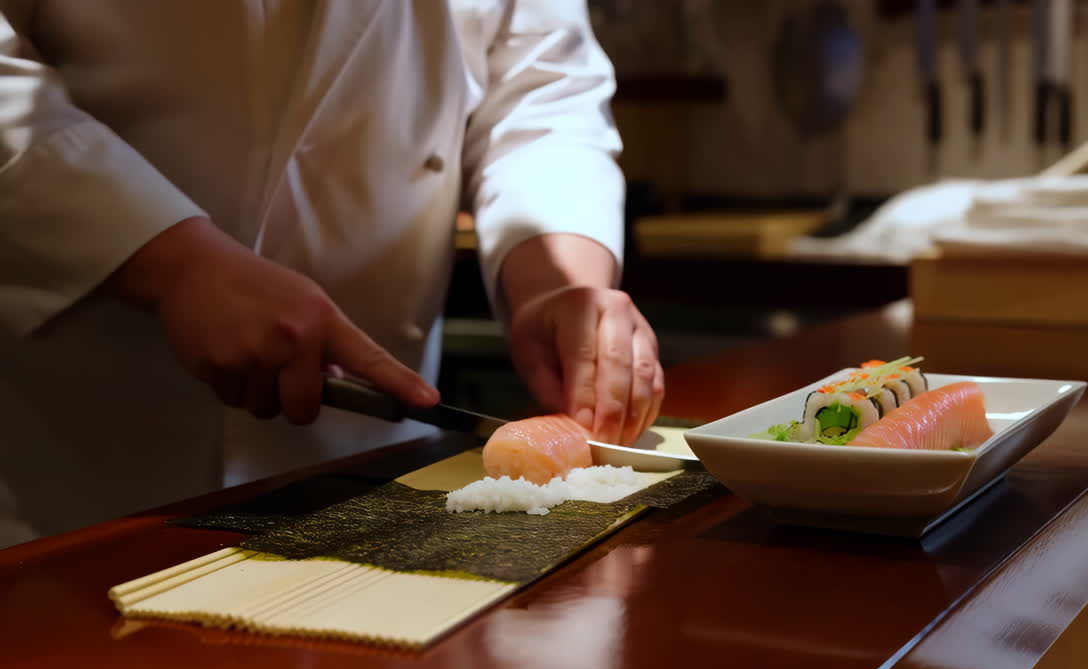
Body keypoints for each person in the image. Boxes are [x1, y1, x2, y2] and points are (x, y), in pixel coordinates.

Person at [0, 0, 663, 548]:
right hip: (82, 469)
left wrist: (557, 280)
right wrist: (173, 265)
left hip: (378, 465)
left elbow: (542, 87)